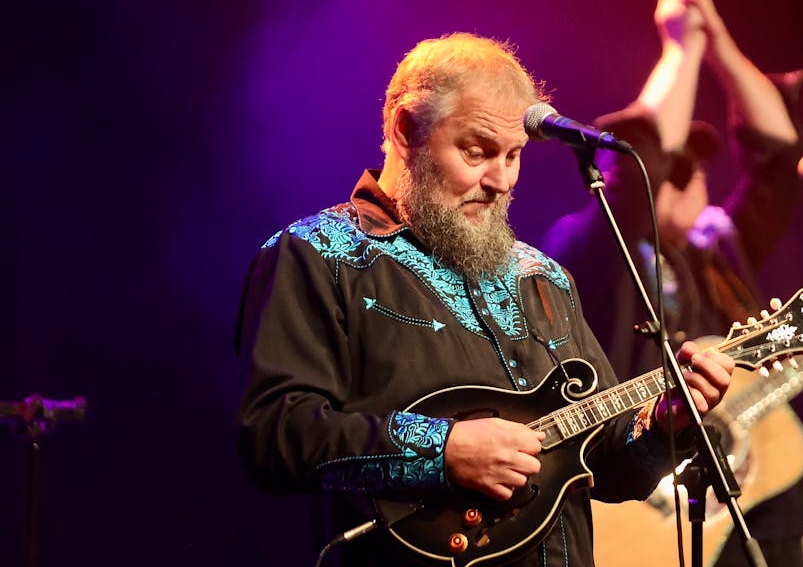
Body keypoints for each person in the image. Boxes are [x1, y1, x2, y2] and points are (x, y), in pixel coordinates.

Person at [235, 28, 736, 567]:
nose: (500, 179)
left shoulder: (543, 276)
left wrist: (664, 424)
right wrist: (441, 451)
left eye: (515, 156)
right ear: (407, 129)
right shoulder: (318, 253)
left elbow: (610, 468)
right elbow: (275, 434)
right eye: (477, 151)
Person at [543, 0, 803, 567]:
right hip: (642, 515)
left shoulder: (718, 250)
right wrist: (680, 48)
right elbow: (640, 162)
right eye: (678, 168)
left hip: (742, 506)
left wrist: (717, 42)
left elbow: (778, 158)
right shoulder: (589, 249)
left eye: (699, 165)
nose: (693, 178)